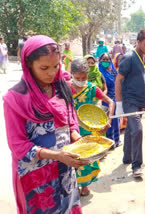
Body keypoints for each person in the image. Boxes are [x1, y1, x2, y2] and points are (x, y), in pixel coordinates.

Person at [3, 35, 89, 214]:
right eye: (44, 68)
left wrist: (80, 140)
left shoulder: (62, 87)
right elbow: (18, 145)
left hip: (64, 169)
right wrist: (56, 155)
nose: (51, 73)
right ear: (28, 65)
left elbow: (70, 120)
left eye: (56, 66)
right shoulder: (15, 99)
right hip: (36, 178)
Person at [115, 29, 145, 178]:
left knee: (131, 129)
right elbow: (118, 80)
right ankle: (137, 165)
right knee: (138, 130)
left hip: (141, 101)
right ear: (138, 42)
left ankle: (127, 157)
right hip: (129, 100)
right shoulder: (128, 58)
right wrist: (119, 104)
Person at [68, 58, 114, 196]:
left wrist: (108, 120)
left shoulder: (92, 88)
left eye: (84, 77)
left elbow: (110, 102)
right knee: (73, 157)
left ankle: (85, 186)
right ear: (71, 74)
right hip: (71, 129)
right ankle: (74, 185)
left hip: (89, 129)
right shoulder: (66, 88)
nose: (81, 80)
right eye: (78, 78)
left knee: (87, 158)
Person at [98, 53, 121, 147]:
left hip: (114, 99)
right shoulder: (98, 73)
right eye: (104, 59)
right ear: (100, 61)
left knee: (115, 120)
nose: (106, 62)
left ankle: (116, 140)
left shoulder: (113, 72)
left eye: (108, 60)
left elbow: (118, 83)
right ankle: (108, 142)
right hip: (104, 100)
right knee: (106, 120)